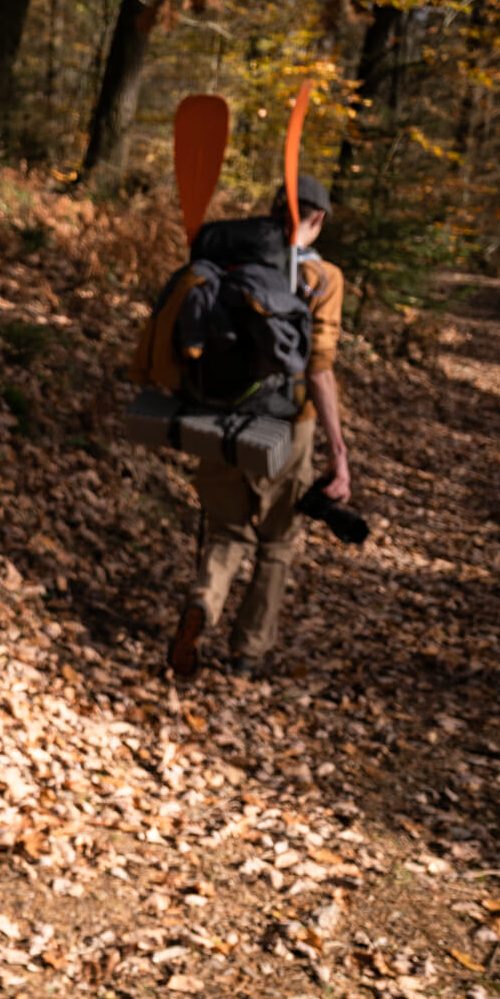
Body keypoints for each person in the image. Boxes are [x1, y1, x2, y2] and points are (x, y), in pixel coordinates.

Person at [168, 174, 350, 679]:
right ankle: (246, 653)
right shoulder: (324, 279)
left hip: (220, 413)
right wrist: (338, 453)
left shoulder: (226, 261)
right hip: (288, 427)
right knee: (276, 542)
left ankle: (204, 602)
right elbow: (319, 368)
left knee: (226, 530)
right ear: (317, 219)